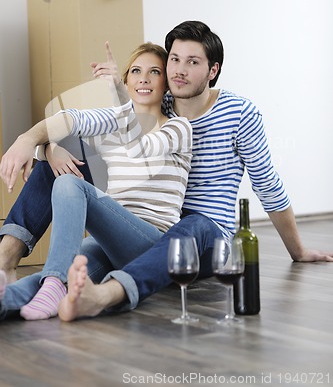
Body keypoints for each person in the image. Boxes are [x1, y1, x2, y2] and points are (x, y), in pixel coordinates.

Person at [1, 21, 333, 319]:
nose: (179, 70)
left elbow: (266, 183)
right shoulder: (163, 102)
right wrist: (46, 145)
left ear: (212, 70)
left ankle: (108, 294)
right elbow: (110, 122)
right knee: (61, 173)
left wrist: (298, 251)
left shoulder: (239, 113)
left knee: (194, 223)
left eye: (193, 62)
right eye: (174, 60)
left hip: (205, 236)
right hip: (148, 227)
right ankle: (7, 269)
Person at [0, 42, 192, 320]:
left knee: (68, 184)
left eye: (155, 72)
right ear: (127, 79)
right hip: (110, 241)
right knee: (46, 278)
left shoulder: (178, 127)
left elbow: (140, 146)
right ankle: (9, 300)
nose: (144, 78)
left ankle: (56, 282)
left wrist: (119, 96)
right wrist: (48, 149)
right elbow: (70, 122)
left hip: (150, 243)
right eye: (136, 71)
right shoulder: (112, 127)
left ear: (166, 84)